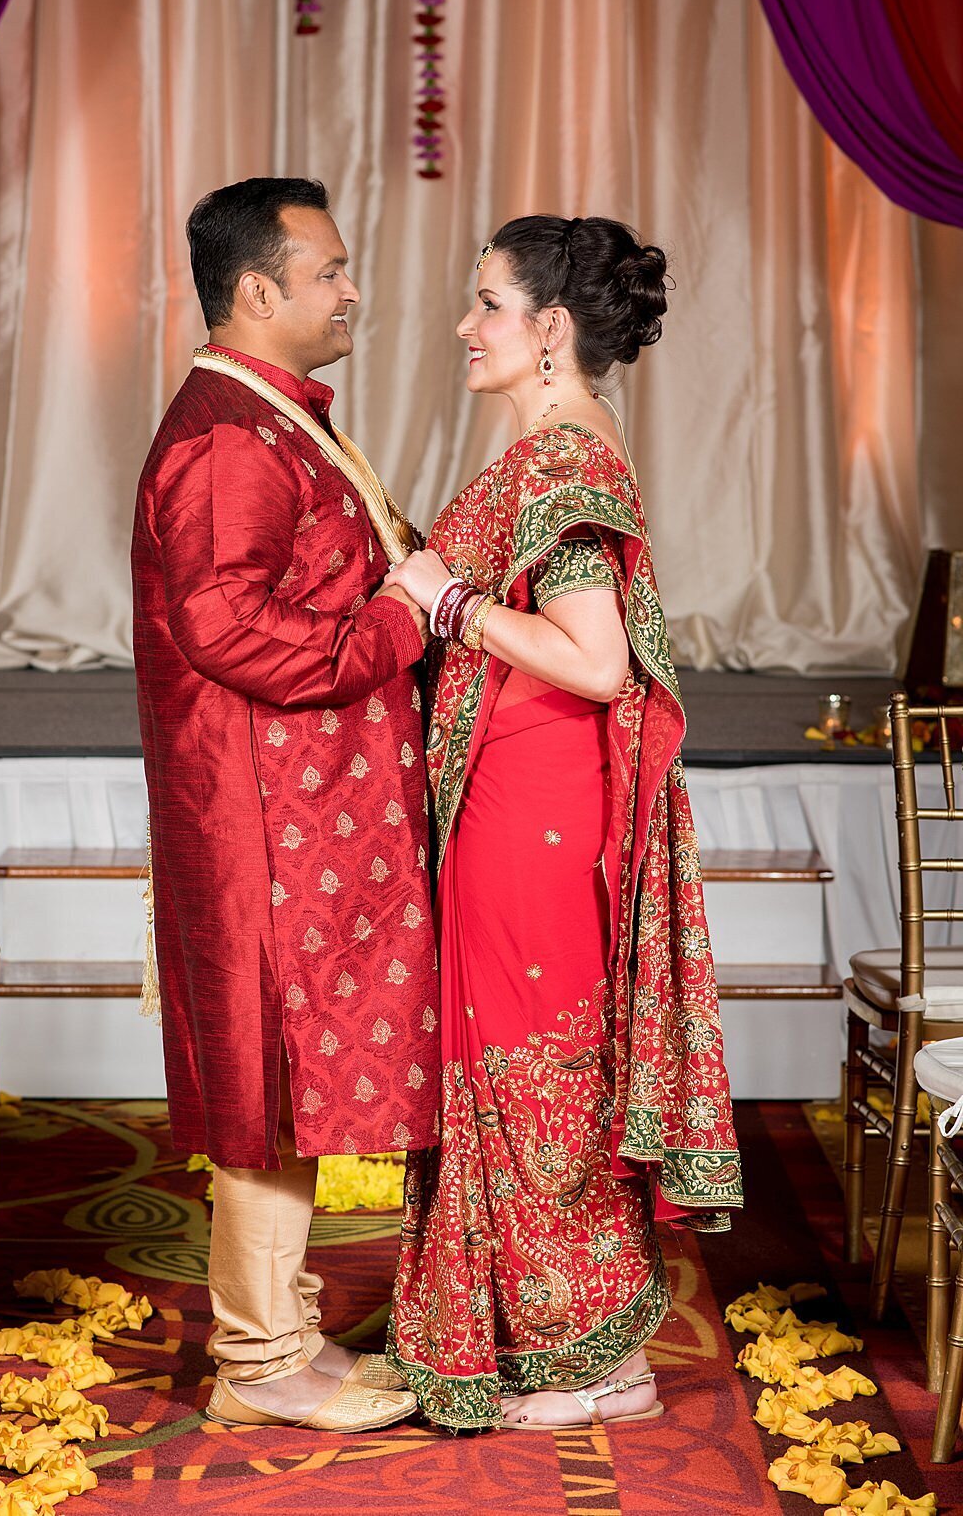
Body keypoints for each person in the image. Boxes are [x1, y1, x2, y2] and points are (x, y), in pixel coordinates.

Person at [383, 214, 742, 1433]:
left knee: (532, 1068)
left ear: (550, 329)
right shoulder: (570, 445)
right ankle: (555, 1338)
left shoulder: (561, 462)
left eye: (487, 303)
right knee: (529, 1063)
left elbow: (593, 662)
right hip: (532, 793)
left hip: (533, 801)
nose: (465, 326)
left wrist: (450, 603)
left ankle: (596, 1360)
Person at [131, 177, 440, 1434]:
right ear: (259, 291)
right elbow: (232, 631)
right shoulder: (224, 440)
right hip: (260, 814)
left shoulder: (275, 421)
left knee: (292, 1076)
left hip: (303, 808)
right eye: (331, 270)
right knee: (266, 1073)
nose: (351, 289)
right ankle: (261, 1360)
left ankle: (278, 1338)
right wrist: (404, 615)